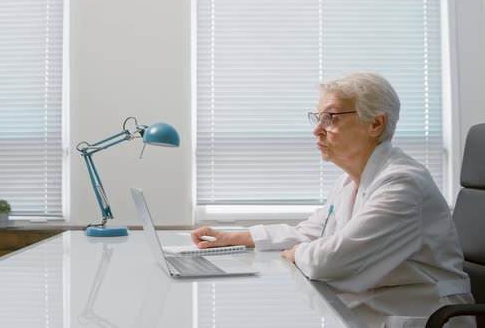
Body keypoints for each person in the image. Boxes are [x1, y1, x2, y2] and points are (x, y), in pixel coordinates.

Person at [191, 72, 475, 328]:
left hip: (424, 317)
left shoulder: (402, 183)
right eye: (318, 119)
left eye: (331, 119)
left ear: (375, 124)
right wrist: (236, 237)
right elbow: (310, 232)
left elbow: (332, 261)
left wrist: (297, 253)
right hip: (378, 308)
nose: (317, 130)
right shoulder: (351, 179)